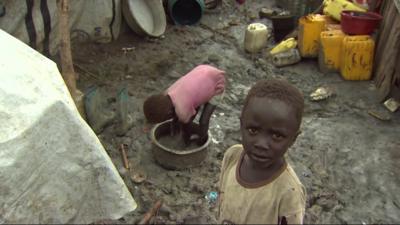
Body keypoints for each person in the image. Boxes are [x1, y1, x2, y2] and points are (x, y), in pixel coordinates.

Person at [218, 79, 306, 224]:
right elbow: (221, 196)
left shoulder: (289, 192)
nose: (261, 144)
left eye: (277, 135)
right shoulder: (232, 156)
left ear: (293, 139)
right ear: (241, 125)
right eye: (253, 130)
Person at [143, 64, 225, 145]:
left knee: (203, 121)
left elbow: (185, 124)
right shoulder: (168, 92)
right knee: (189, 111)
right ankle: (183, 130)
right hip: (202, 73)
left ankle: (202, 141)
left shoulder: (182, 110)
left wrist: (186, 141)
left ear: (168, 113)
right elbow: (177, 114)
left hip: (216, 82)